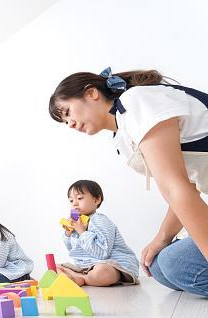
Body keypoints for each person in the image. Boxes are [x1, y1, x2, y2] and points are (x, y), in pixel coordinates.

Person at [49, 67, 208, 296]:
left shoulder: (137, 101)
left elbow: (177, 189)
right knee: (158, 265)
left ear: (91, 93)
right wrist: (161, 239)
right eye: (64, 122)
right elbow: (188, 187)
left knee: (175, 263)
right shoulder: (123, 133)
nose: (70, 124)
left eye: (68, 112)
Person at [58, 180, 139, 286]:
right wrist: (68, 233)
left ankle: (82, 278)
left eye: (80, 198)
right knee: (54, 268)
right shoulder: (79, 222)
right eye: (71, 200)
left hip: (113, 265)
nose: (75, 204)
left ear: (97, 200)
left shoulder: (100, 220)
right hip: (86, 266)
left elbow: (102, 253)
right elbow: (74, 251)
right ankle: (83, 277)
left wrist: (82, 232)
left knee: (103, 272)